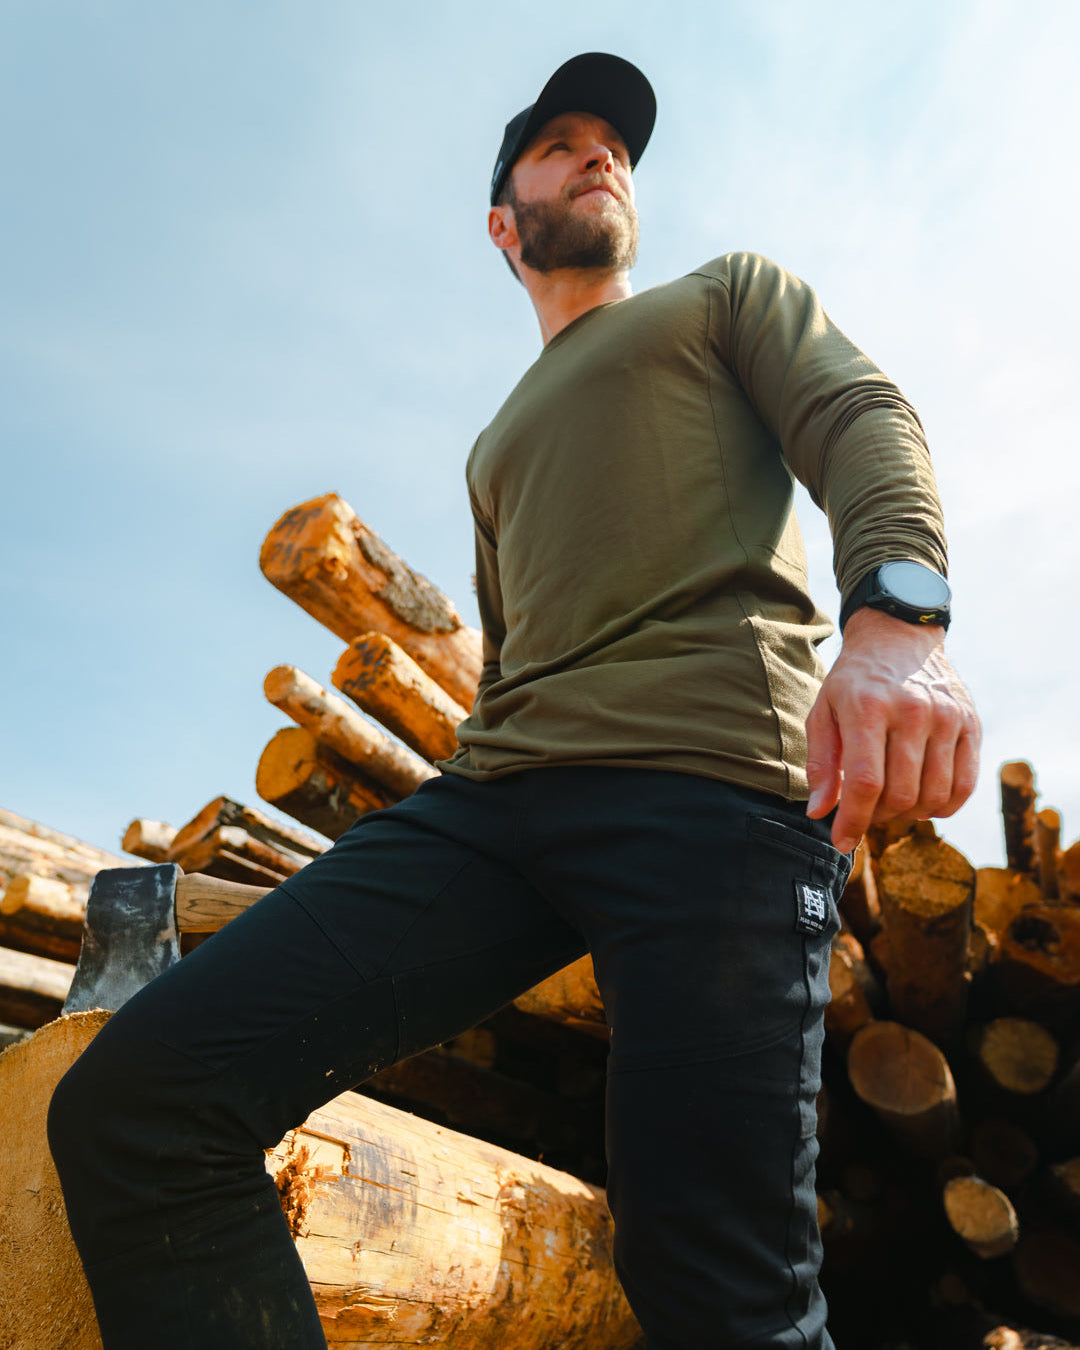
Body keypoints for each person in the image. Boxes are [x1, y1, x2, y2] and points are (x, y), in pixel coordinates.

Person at [48, 52, 979, 1350]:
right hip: (496, 803)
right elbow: (515, 644)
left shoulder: (724, 297)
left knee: (721, 1294)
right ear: (505, 221)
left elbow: (860, 410)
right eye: (561, 144)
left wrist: (896, 618)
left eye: (612, 145)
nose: (598, 154)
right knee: (137, 1102)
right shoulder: (494, 446)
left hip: (713, 789)